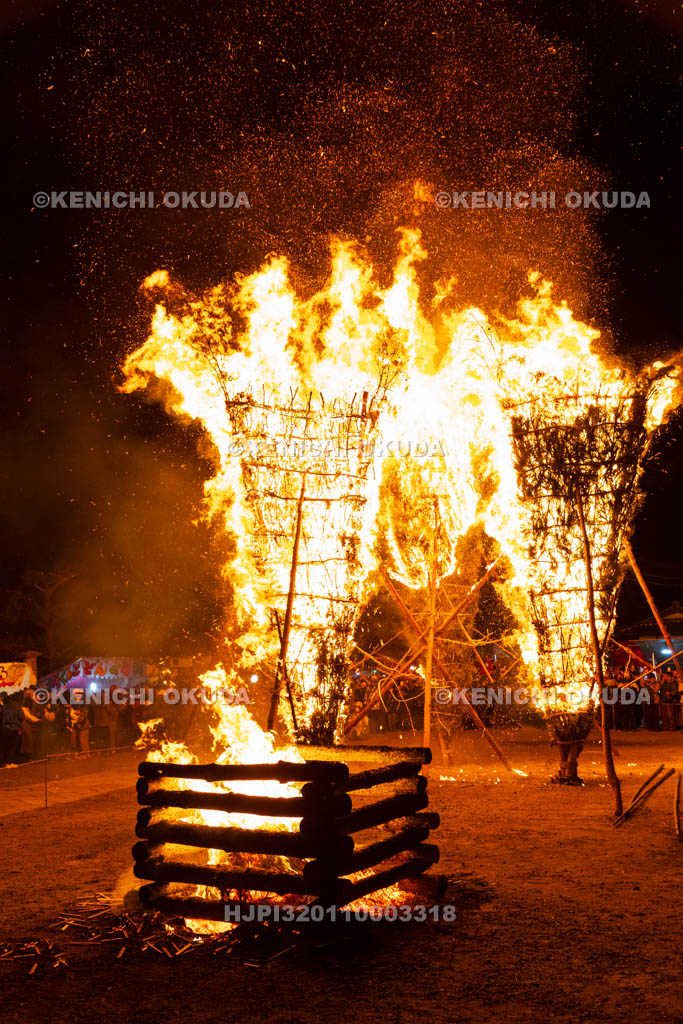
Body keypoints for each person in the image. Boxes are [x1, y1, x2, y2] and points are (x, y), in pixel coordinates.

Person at [1, 692, 24, 766]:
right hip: (14, 728)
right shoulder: (16, 706)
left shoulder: (5, 706)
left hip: (5, 728)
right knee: (12, 746)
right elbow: (22, 717)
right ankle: (9, 762)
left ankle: (4, 762)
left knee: (4, 746)